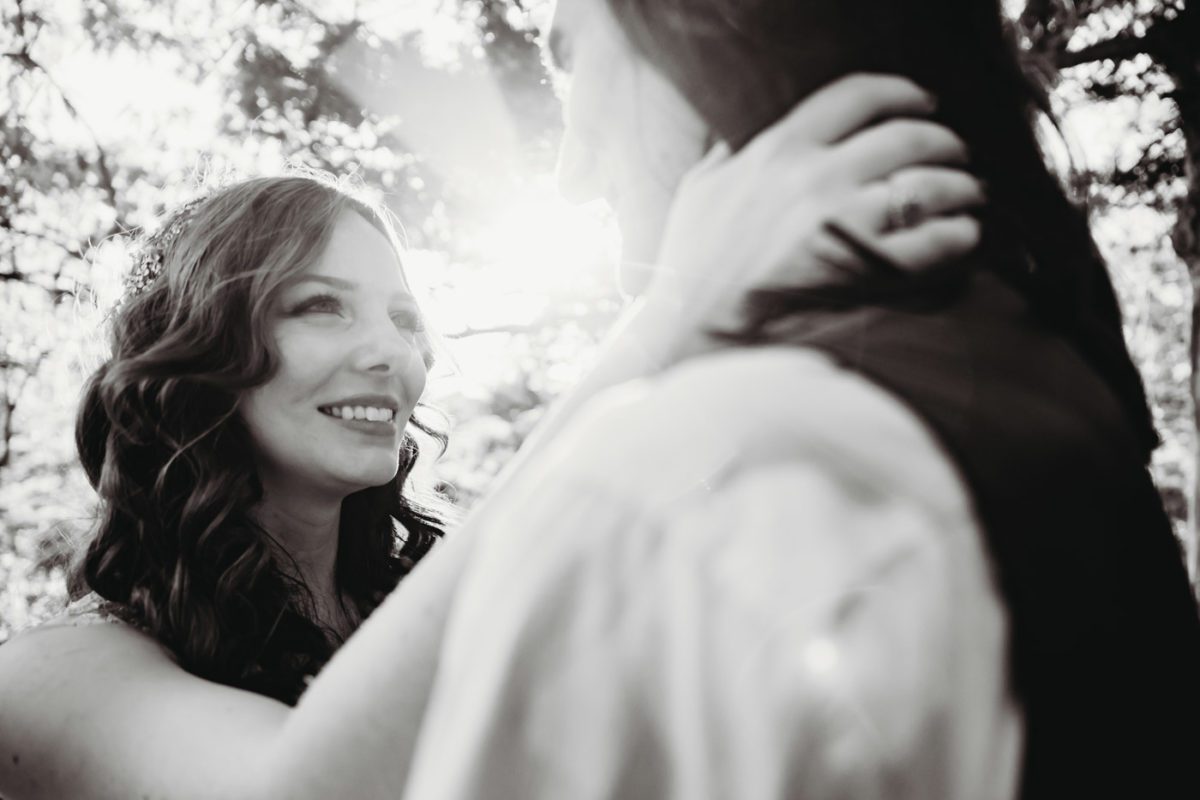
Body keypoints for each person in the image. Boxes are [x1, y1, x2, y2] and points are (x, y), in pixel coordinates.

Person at [0, 79, 984, 800]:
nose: (392, 352)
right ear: (196, 351)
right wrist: (676, 315)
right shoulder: (54, 679)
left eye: (404, 319)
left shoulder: (435, 602)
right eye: (321, 307)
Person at [394, 1, 1200, 799]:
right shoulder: (1037, 361)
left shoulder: (690, 499)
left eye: (572, 59)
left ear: (706, 30)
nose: (570, 175)